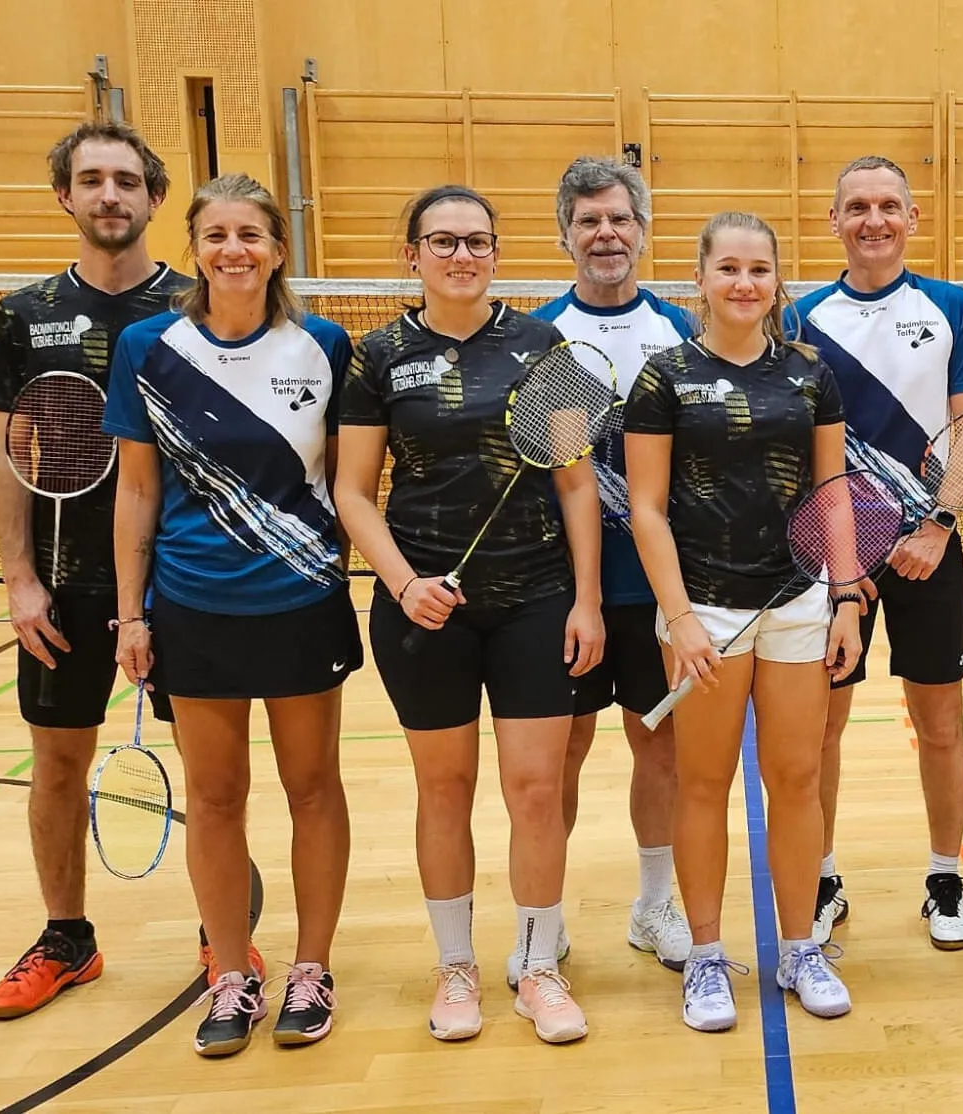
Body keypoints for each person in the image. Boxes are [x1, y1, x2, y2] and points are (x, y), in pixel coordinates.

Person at [0, 122, 265, 1020]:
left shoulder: (195, 303)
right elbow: (6, 450)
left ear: (154, 198)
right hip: (66, 580)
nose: (110, 195)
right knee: (58, 760)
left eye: (127, 181)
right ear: (65, 194)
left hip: (179, 581)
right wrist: (19, 579)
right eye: (92, 179)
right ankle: (67, 938)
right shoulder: (24, 314)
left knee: (212, 769)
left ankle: (223, 931)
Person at [335, 185, 605, 1044]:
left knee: (536, 790)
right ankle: (455, 967)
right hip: (423, 613)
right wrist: (403, 583)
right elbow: (352, 491)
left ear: (496, 253)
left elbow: (575, 483)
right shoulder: (377, 357)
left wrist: (588, 599)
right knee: (444, 789)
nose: (462, 256)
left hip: (535, 599)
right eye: (444, 241)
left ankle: (537, 966)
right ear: (412, 254)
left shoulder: (542, 345)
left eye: (478, 241)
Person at [105, 173, 361, 1056]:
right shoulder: (149, 346)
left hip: (301, 602)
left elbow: (351, 482)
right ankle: (229, 974)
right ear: (196, 248)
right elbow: (137, 491)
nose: (234, 250)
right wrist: (132, 616)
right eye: (215, 235)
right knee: (215, 800)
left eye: (250, 234)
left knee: (313, 789)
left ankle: (312, 969)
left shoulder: (323, 345)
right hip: (193, 606)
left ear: (278, 249)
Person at [625, 211, 861, 1031]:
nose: (743, 283)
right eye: (727, 268)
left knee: (795, 779)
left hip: (797, 603)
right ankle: (704, 957)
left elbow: (833, 494)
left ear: (776, 280)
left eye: (759, 269)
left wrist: (846, 597)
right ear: (700, 278)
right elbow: (647, 509)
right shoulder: (663, 377)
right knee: (703, 783)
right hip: (705, 610)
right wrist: (680, 618)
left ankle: (800, 949)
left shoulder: (809, 373)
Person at [790, 156, 963, 950]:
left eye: (887, 206)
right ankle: (821, 877)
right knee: (820, 728)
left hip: (927, 549)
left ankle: (945, 877)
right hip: (837, 554)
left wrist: (940, 525)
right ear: (834, 221)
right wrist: (838, 557)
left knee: (939, 721)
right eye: (857, 207)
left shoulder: (951, 307)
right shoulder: (799, 320)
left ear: (912, 217)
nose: (872, 220)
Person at [533, 156, 693, 976]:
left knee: (658, 748)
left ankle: (654, 905)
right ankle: (544, 917)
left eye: (619, 219)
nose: (606, 234)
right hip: (559, 590)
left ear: (643, 230)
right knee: (557, 755)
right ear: (564, 234)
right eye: (589, 220)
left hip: (658, 587)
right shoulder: (534, 337)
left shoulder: (683, 332)